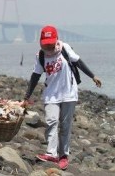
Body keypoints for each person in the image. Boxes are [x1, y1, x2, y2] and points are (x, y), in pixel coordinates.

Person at [23, 25, 102, 170]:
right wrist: (27, 96)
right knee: (51, 121)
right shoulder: (40, 55)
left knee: (65, 126)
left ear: (56, 39)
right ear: (41, 41)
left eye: (51, 43)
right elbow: (35, 76)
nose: (49, 46)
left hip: (68, 93)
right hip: (51, 94)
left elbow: (78, 62)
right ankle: (51, 153)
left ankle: (63, 155)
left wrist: (93, 76)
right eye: (46, 43)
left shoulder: (64, 48)